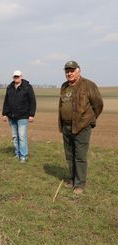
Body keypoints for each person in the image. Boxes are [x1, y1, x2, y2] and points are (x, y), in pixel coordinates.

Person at [59, 61, 103, 195]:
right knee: (69, 155)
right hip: (66, 127)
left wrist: (89, 120)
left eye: (72, 70)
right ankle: (72, 179)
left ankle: (79, 184)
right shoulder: (64, 86)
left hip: (82, 127)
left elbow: (98, 105)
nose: (69, 73)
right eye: (67, 71)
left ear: (78, 71)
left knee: (80, 156)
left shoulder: (89, 85)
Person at [2, 70, 36, 163]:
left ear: (21, 77)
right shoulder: (10, 87)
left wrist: (31, 115)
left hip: (23, 116)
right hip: (12, 116)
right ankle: (17, 154)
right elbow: (6, 101)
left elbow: (32, 101)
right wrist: (4, 113)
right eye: (15, 77)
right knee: (15, 137)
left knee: (22, 136)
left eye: (18, 76)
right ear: (13, 77)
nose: (16, 78)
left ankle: (23, 156)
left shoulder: (27, 87)